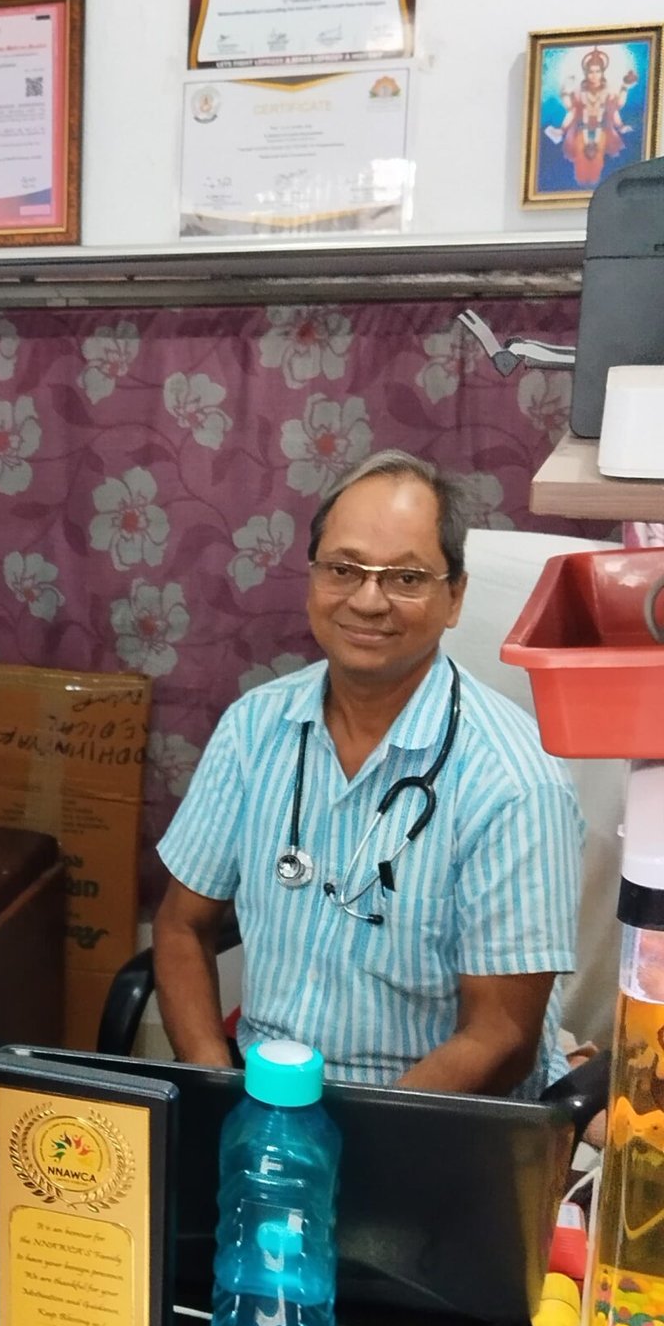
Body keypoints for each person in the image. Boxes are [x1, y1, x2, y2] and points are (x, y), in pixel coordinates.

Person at [154, 450, 583, 1097]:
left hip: (430, 1120)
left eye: (406, 577)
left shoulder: (516, 782)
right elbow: (182, 926)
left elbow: (501, 1038)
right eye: (343, 569)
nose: (368, 599)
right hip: (266, 1101)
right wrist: (216, 1091)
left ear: (455, 597)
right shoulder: (253, 728)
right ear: (312, 579)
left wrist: (358, 1139)